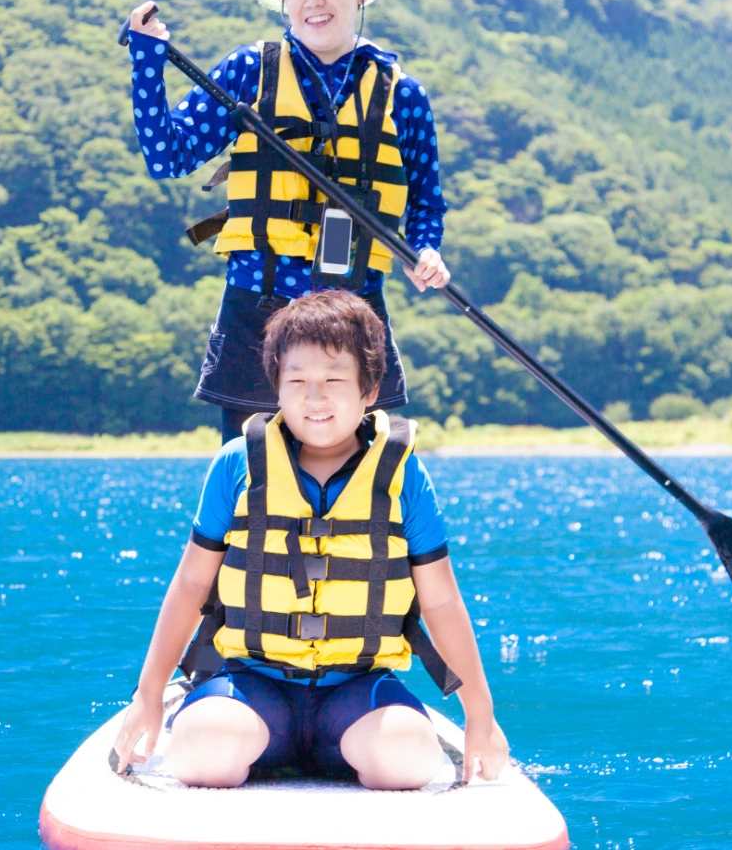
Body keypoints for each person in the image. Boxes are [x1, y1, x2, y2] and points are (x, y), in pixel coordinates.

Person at [113, 291, 508, 789]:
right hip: (253, 684)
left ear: (369, 390)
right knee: (200, 756)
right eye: (296, 380)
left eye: (334, 380)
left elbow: (443, 601)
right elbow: (191, 583)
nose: (314, 398)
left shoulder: (404, 476)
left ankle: (360, 749)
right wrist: (147, 694)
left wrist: (480, 713)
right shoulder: (237, 464)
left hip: (359, 691)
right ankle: (210, 719)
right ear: (276, 386)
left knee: (406, 761)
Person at [125, 0, 451, 444]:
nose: (311, 0)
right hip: (259, 306)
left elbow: (426, 202)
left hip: (354, 310)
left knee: (364, 491)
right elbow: (168, 156)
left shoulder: (403, 95)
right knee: (253, 488)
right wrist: (147, 61)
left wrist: (428, 249)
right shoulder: (247, 71)